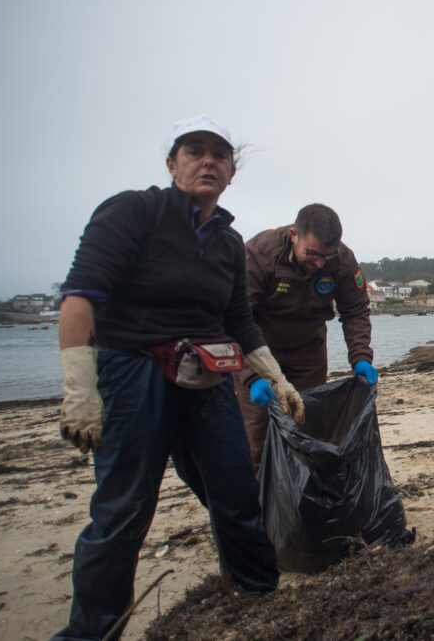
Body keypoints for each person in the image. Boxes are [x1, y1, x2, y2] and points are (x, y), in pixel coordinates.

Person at [53, 115, 305, 640]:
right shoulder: (133, 212)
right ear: (172, 164)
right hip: (131, 370)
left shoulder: (229, 244)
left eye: (219, 154)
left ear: (232, 172)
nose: (207, 160)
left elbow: (238, 322)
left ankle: (256, 593)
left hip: (204, 374)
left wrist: (277, 379)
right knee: (124, 508)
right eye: (194, 151)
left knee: (235, 488)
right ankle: (92, 632)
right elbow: (80, 299)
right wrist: (80, 393)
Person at [239, 203, 376, 472]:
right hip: (259, 351)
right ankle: (258, 508)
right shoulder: (258, 255)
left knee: (309, 429)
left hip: (308, 352)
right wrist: (250, 377)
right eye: (312, 254)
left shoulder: (342, 260)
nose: (319, 263)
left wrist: (360, 356)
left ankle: (304, 501)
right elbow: (235, 318)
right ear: (294, 235)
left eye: (328, 256)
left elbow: (356, 309)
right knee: (256, 437)